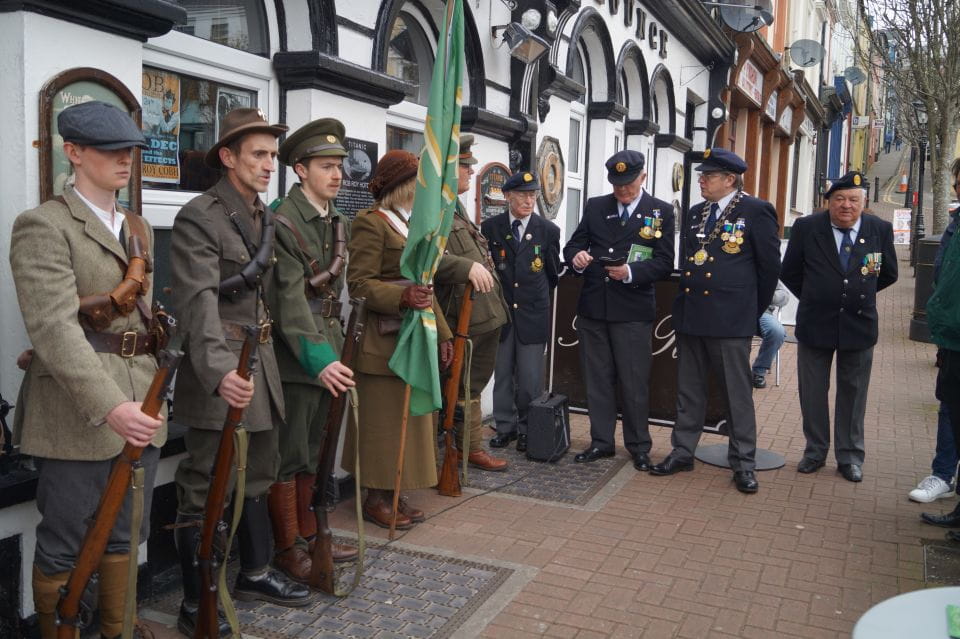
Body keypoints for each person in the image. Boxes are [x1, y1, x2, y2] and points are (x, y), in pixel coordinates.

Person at [10, 101, 163, 639]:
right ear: (73, 152)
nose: (125, 159)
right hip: (77, 414)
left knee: (126, 532)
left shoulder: (138, 227)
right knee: (66, 535)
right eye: (109, 149)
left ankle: (115, 630)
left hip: (141, 396)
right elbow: (53, 329)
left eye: (130, 150)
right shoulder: (44, 226)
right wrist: (111, 406)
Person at [170, 108, 314, 636]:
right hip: (222, 371)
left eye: (273, 156)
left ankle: (253, 571)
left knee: (258, 473)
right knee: (205, 482)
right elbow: (196, 303)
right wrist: (216, 372)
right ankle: (194, 600)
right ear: (227, 158)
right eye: (259, 154)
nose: (269, 164)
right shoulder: (200, 216)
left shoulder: (264, 216)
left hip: (262, 366)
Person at [650, 148, 781, 494]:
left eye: (708, 176)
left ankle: (743, 462)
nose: (701, 181)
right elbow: (688, 263)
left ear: (730, 179)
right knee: (689, 390)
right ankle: (682, 451)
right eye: (701, 176)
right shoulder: (695, 213)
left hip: (730, 320)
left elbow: (768, 271)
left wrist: (749, 313)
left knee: (736, 395)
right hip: (693, 315)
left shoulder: (756, 211)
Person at [267, 118, 358, 582]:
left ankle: (310, 535)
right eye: (326, 166)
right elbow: (287, 301)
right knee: (290, 454)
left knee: (317, 452)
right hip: (297, 357)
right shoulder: (283, 220)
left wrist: (336, 355)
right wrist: (321, 360)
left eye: (339, 166)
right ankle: (288, 548)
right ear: (300, 170)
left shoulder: (336, 218)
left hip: (330, 350)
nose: (337, 175)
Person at [343, 150, 453, 529]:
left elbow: (425, 285)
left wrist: (443, 333)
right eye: (417, 184)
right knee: (382, 424)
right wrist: (400, 297)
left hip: (415, 337)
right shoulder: (370, 223)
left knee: (408, 420)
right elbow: (358, 285)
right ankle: (376, 496)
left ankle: (394, 491)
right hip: (382, 341)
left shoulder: (412, 225)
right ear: (401, 187)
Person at [780, 171, 898, 482]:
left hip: (859, 325)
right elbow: (790, 271)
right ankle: (815, 451)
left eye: (853, 200)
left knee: (854, 393)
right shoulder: (807, 227)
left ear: (864, 202)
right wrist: (817, 296)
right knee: (813, 392)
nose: (846, 205)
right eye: (840, 199)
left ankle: (849, 457)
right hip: (815, 323)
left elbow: (888, 273)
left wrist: (855, 296)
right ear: (828, 202)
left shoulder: (879, 229)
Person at [562, 150, 675, 469]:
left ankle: (639, 445)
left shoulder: (661, 212)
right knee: (597, 379)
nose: (622, 191)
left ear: (643, 177)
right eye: (617, 185)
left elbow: (665, 262)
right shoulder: (597, 205)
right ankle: (602, 442)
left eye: (628, 184)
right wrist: (577, 257)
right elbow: (573, 244)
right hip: (594, 308)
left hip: (633, 310)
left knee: (634, 380)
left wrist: (631, 273)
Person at [434, 135, 510, 471]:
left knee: (473, 385)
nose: (470, 171)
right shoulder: (432, 208)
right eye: (465, 166)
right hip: (460, 317)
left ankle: (470, 448)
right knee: (461, 386)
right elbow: (426, 259)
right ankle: (464, 450)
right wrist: (465, 267)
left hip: (485, 315)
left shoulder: (455, 206)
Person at [481, 171, 561, 451]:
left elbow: (552, 275)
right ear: (508, 197)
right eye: (522, 195)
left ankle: (528, 427)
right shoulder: (490, 228)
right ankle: (505, 426)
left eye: (532, 195)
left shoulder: (548, 231)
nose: (529, 201)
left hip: (532, 315)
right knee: (502, 375)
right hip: (502, 315)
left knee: (529, 379)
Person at [913, 161, 960, 505]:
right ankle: (943, 475)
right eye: (958, 183)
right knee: (949, 405)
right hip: (951, 336)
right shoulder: (955, 225)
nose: (959, 188)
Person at [751, 282, 788, 389]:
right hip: (734, 312)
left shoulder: (763, 267)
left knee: (777, 331)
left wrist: (768, 295)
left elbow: (784, 295)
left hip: (762, 312)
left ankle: (759, 371)